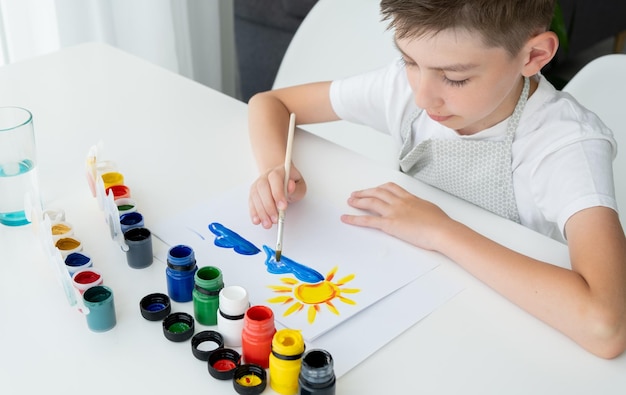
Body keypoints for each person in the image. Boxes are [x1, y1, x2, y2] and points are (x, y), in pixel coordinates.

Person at [246, 0, 626, 358]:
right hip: (414, 308)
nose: (424, 98)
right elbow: (272, 103)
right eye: (409, 60)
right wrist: (274, 168)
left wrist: (442, 232)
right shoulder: (404, 87)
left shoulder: (565, 146)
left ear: (533, 56)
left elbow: (606, 326)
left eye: (455, 78)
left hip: (509, 337)